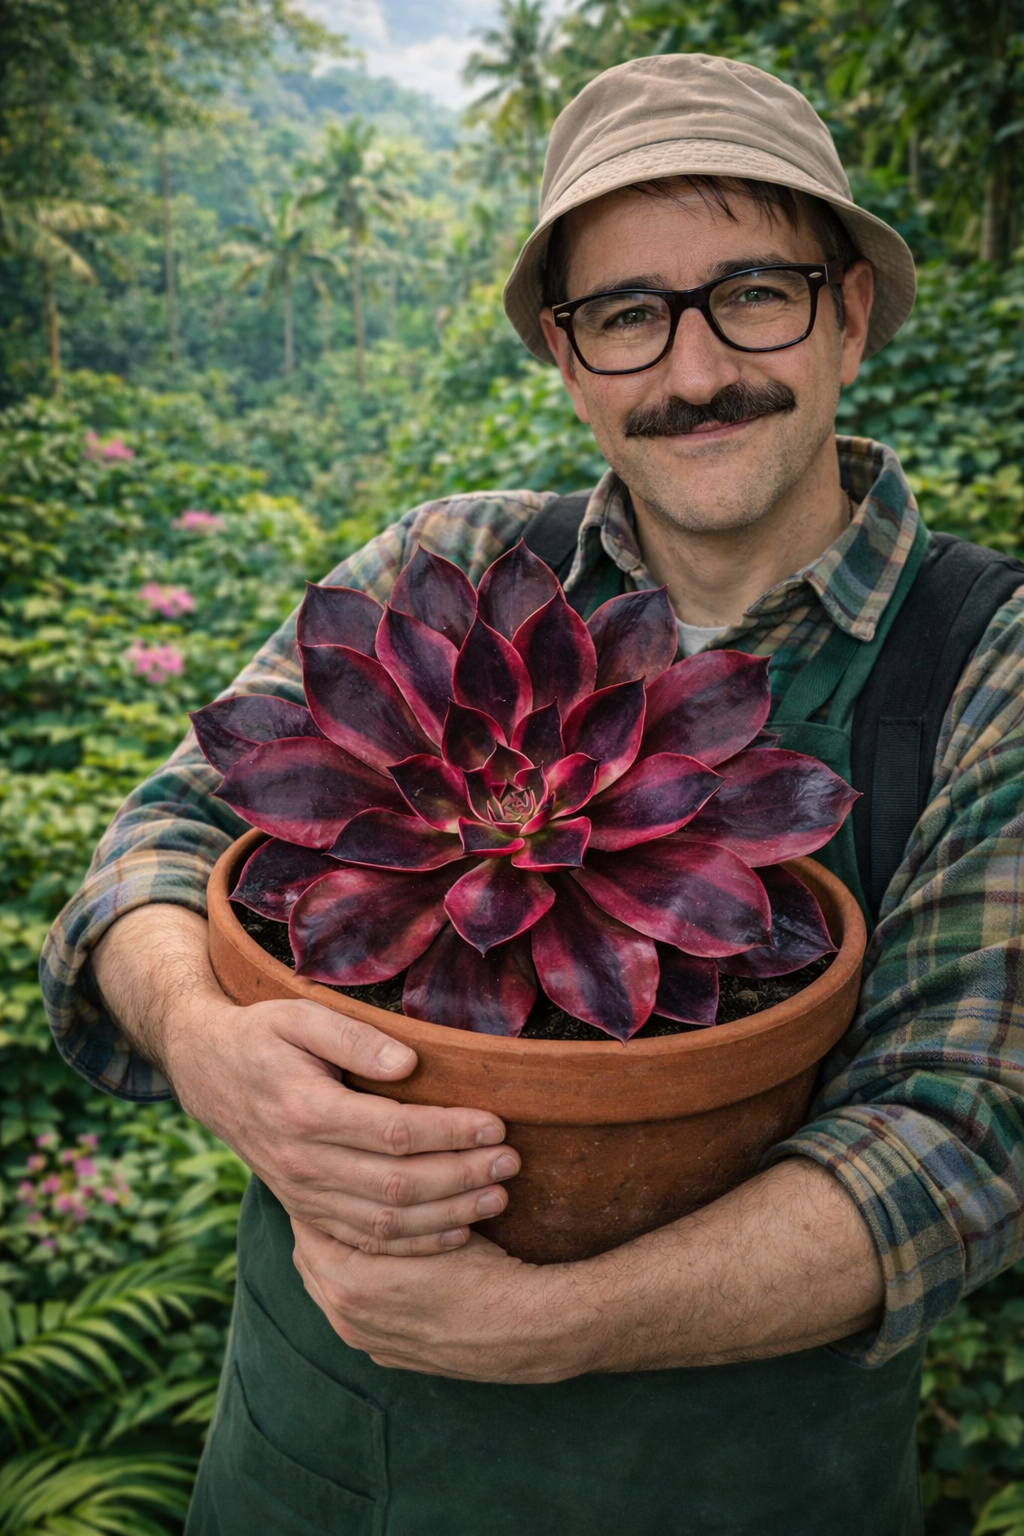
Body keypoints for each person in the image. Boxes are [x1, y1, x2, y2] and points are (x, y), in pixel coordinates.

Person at [41, 53, 1024, 1536]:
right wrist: (207, 1044)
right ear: (567, 360)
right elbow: (158, 847)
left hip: (745, 1492)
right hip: (314, 1471)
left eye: (752, 292)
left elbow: (962, 1132)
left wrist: (553, 1322)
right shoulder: (448, 566)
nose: (695, 374)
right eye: (628, 316)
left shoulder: (986, 660)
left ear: (850, 314)